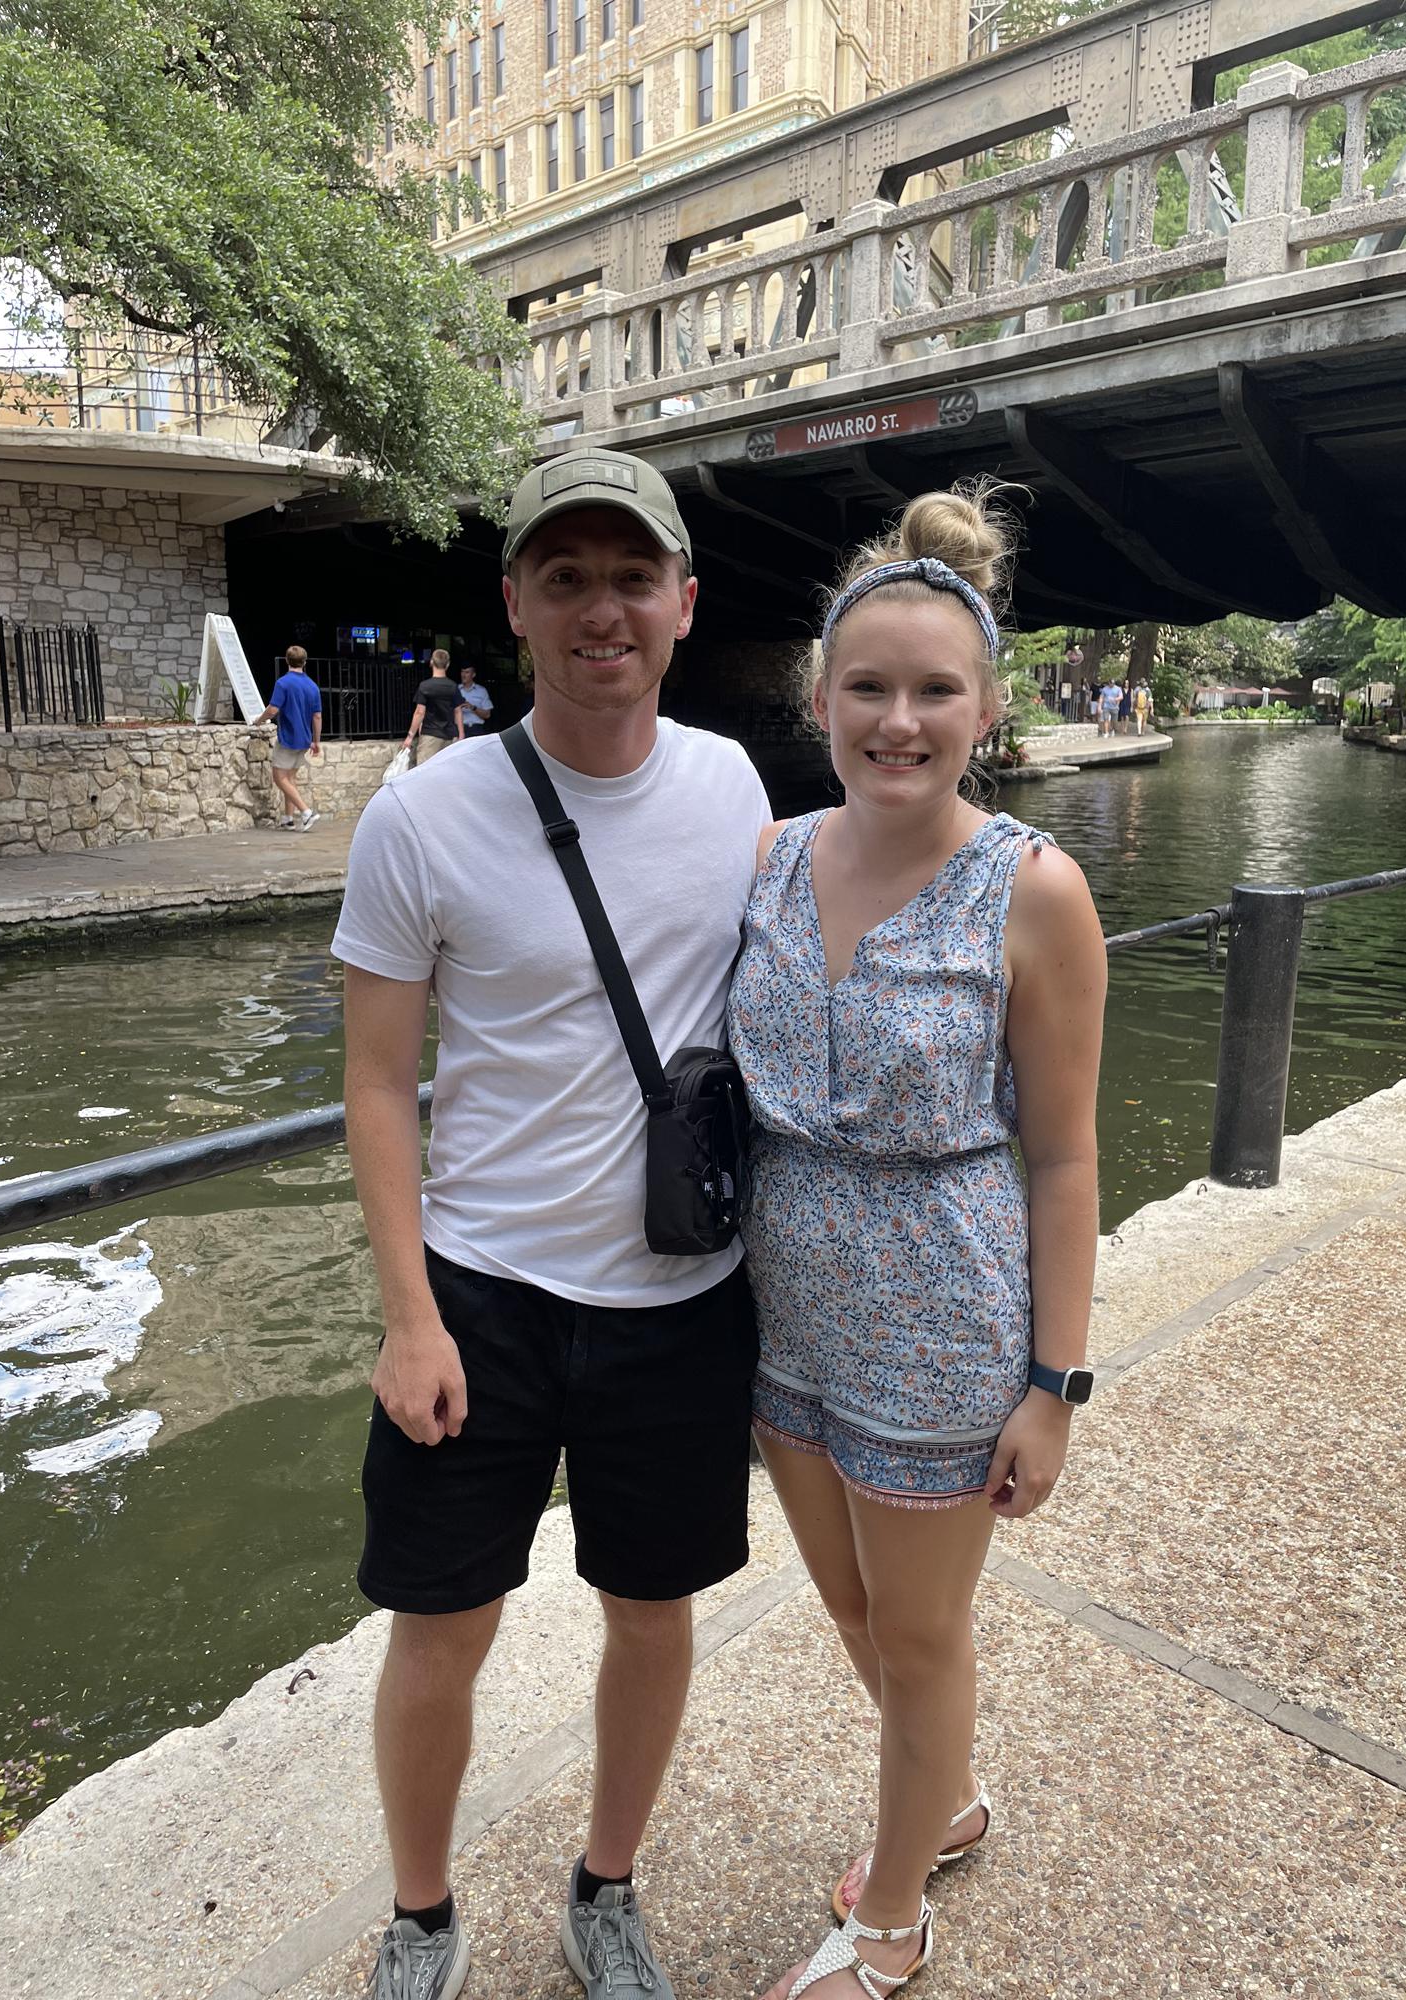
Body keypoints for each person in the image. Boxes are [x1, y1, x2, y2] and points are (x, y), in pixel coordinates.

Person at [331, 448, 771, 2000]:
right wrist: (407, 1315)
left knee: (651, 1616)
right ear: (514, 604)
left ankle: (607, 1884)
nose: (604, 610)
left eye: (632, 577)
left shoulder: (731, 786)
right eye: (567, 578)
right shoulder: (423, 822)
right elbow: (380, 1086)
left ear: (685, 605)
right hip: (484, 1292)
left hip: (683, 1295)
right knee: (440, 1624)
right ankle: (422, 1912)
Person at [728, 488, 1106, 2000]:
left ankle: (895, 1907)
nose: (900, 720)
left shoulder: (1035, 890)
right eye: (868, 689)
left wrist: (1055, 1383)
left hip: (942, 1310)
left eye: (934, 690)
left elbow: (1068, 1153)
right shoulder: (766, 856)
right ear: (816, 698)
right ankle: (939, 1798)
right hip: (785, 1304)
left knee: (926, 1630)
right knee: (845, 1603)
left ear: (988, 708)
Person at [256, 645, 321, 830]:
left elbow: (273, 709)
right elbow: (317, 716)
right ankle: (288, 819)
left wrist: (259, 721)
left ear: (287, 661)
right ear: (305, 662)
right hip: (305, 740)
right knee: (290, 778)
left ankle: (306, 812)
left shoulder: (283, 683)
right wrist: (316, 741)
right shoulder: (312, 686)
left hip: (287, 738)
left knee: (279, 778)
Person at [403, 649, 465, 763]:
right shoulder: (453, 686)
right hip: (450, 735)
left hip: (430, 735)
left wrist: (410, 736)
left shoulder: (425, 686)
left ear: (431, 662)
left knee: (425, 772)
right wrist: (461, 735)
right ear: (447, 664)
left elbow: (419, 712)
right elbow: (458, 711)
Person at [456, 664, 494, 735]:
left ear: (473, 675)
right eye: (462, 672)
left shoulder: (482, 691)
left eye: (467, 672)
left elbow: (487, 715)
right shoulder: (455, 690)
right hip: (458, 729)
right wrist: (457, 707)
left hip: (477, 729)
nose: (463, 675)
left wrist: (473, 707)